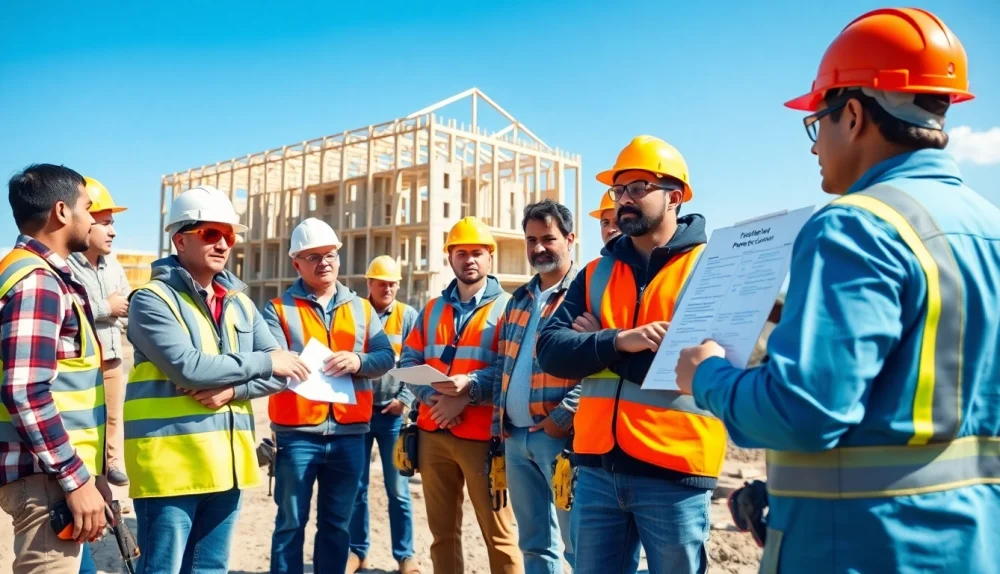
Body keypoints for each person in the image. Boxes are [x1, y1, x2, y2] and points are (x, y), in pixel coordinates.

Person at [674, 8, 1000, 574]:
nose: (813, 146)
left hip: (860, 548)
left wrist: (706, 375)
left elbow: (803, 411)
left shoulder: (855, 225)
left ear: (852, 114)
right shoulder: (988, 228)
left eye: (816, 123)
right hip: (973, 544)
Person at [536, 136, 725, 574]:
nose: (624, 199)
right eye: (619, 189)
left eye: (639, 187)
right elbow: (552, 352)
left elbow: (694, 366)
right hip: (596, 469)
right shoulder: (596, 272)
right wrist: (620, 340)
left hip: (675, 471)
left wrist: (593, 347)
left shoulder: (709, 268)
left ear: (674, 197)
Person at [125, 185, 309, 574]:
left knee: (211, 569)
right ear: (180, 240)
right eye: (211, 233)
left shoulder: (240, 302)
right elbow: (188, 367)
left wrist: (234, 389)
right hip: (171, 468)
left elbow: (283, 371)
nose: (223, 243)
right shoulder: (152, 299)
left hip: (227, 467)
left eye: (229, 235)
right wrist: (266, 361)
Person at [263, 218, 395, 574]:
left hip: (349, 435)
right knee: (290, 523)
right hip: (296, 435)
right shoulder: (277, 309)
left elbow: (385, 357)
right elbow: (271, 360)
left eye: (330, 255)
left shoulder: (362, 309)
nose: (324, 262)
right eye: (313, 257)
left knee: (338, 525)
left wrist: (358, 361)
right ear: (296, 264)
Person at [399, 216, 522, 574]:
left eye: (477, 253)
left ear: (490, 257)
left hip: (484, 439)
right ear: (450, 257)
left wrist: (466, 393)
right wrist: (433, 399)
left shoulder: (509, 308)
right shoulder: (431, 309)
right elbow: (409, 360)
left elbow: (511, 368)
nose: (469, 260)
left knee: (499, 535)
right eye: (461, 253)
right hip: (432, 433)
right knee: (442, 535)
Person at [0, 164, 106, 574]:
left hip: (54, 474)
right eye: (88, 208)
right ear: (62, 211)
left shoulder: (28, 272)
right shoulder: (37, 281)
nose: (93, 219)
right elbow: (25, 390)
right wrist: (75, 477)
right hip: (47, 479)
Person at [486, 200, 580, 573]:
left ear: (570, 239)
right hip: (516, 439)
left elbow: (600, 368)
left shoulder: (584, 294)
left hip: (560, 440)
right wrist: (499, 423)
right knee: (534, 545)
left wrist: (564, 417)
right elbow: (503, 366)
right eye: (531, 240)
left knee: (577, 545)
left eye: (548, 238)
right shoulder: (519, 299)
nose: (538, 247)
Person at [347, 255, 420, 574]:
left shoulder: (407, 316)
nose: (387, 288)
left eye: (392, 284)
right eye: (381, 283)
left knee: (398, 490)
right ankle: (357, 553)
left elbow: (416, 361)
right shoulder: (355, 313)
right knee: (357, 488)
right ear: (370, 283)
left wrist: (404, 399)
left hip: (392, 416)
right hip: (358, 415)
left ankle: (405, 556)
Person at [66, 177, 132, 489]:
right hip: (82, 360)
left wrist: (120, 312)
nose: (112, 231)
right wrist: (107, 307)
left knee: (113, 415)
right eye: (105, 223)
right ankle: (82, 468)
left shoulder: (114, 267)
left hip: (113, 355)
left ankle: (112, 462)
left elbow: (126, 305)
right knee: (83, 418)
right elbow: (70, 309)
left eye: (112, 223)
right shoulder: (67, 266)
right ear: (84, 222)